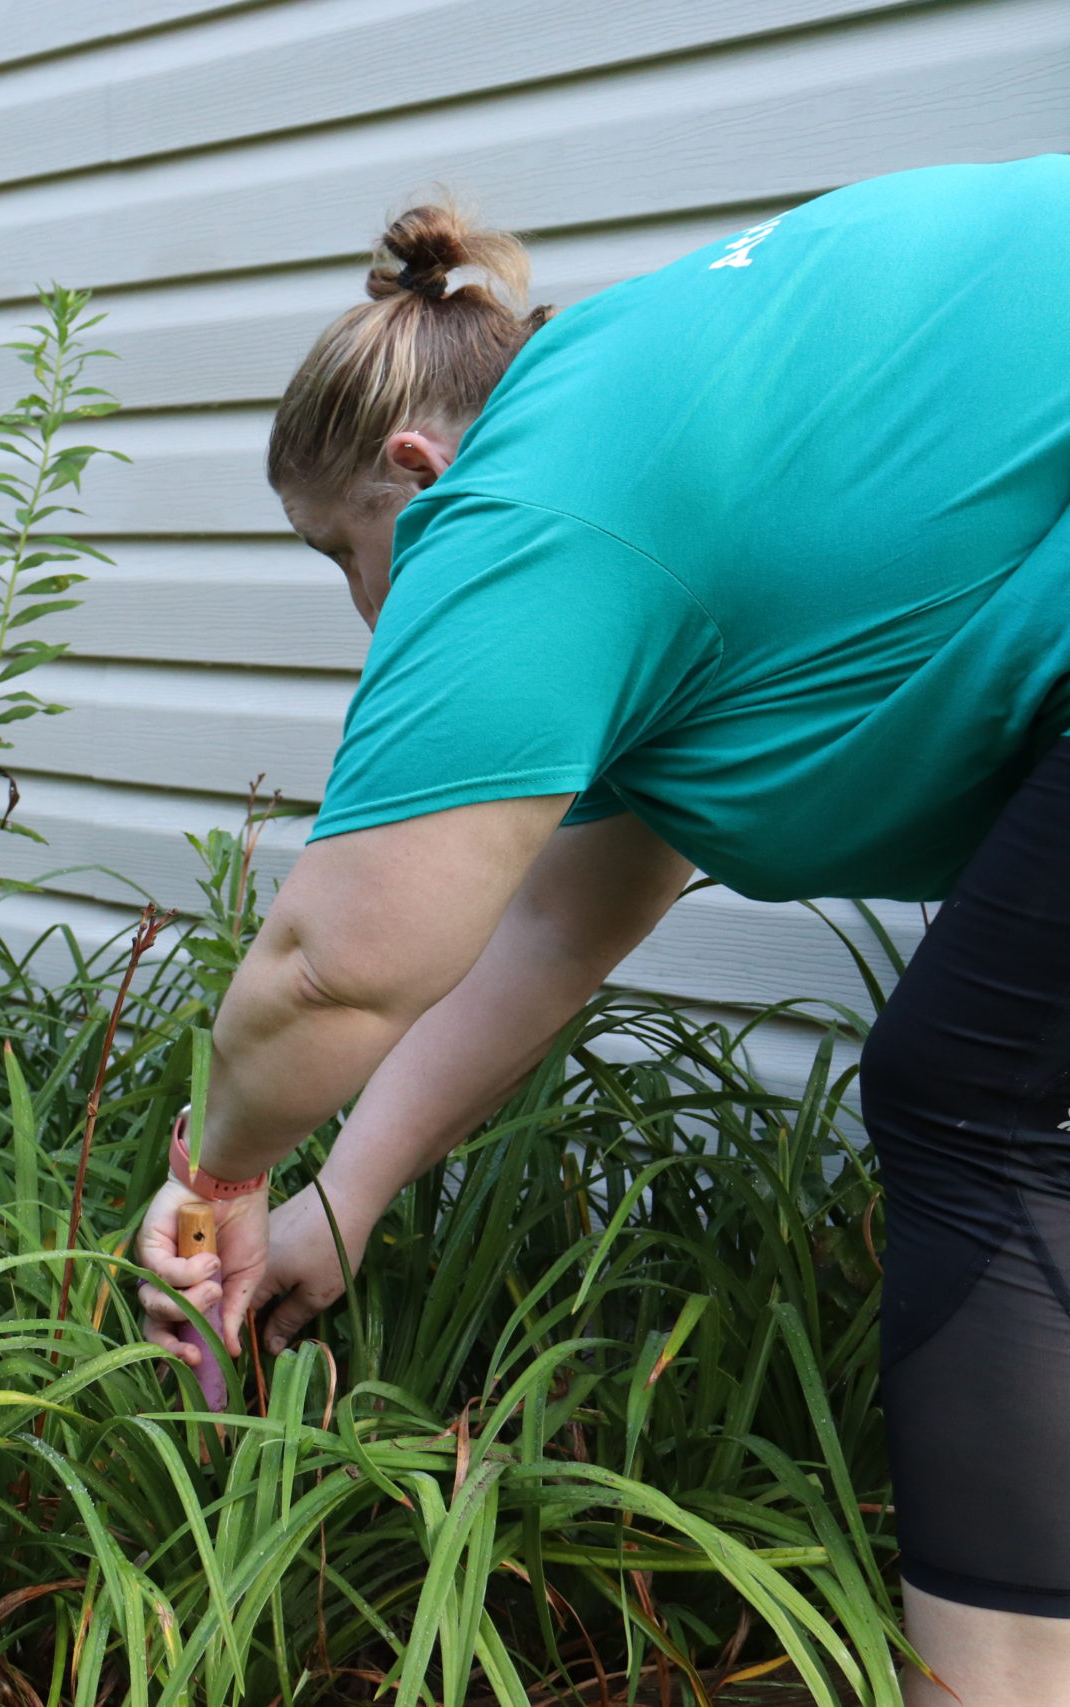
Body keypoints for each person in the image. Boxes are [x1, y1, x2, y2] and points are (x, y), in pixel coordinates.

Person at [132, 157, 1070, 1701]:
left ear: (423, 475)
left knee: (979, 1087)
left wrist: (223, 1171)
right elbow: (558, 927)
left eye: (339, 552)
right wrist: (339, 1201)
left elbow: (329, 965)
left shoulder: (527, 505)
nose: (363, 607)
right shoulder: (653, 440)